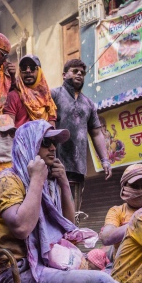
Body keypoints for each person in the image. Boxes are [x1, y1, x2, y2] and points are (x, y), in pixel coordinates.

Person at [0, 121, 132, 283]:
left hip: (45, 266)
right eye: (45, 143)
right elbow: (22, 228)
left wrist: (64, 183)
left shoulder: (46, 184)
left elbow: (68, 228)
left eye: (54, 143)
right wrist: (36, 180)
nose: (53, 148)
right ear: (29, 145)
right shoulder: (7, 180)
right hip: (16, 274)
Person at [51, 59, 112, 212]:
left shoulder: (88, 104)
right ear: (64, 75)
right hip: (55, 164)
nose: (79, 74)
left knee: (73, 211)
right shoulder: (54, 95)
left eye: (82, 73)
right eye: (75, 71)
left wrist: (105, 160)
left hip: (78, 168)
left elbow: (96, 132)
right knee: (54, 209)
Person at [100, 164, 142, 248]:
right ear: (124, 187)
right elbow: (106, 238)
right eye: (134, 186)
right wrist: (139, 222)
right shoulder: (117, 211)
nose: (140, 191)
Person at [5, 54, 57, 128]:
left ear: (39, 72)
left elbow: (52, 130)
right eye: (24, 67)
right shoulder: (13, 96)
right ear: (20, 71)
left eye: (32, 67)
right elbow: (9, 129)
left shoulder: (48, 100)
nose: (28, 71)